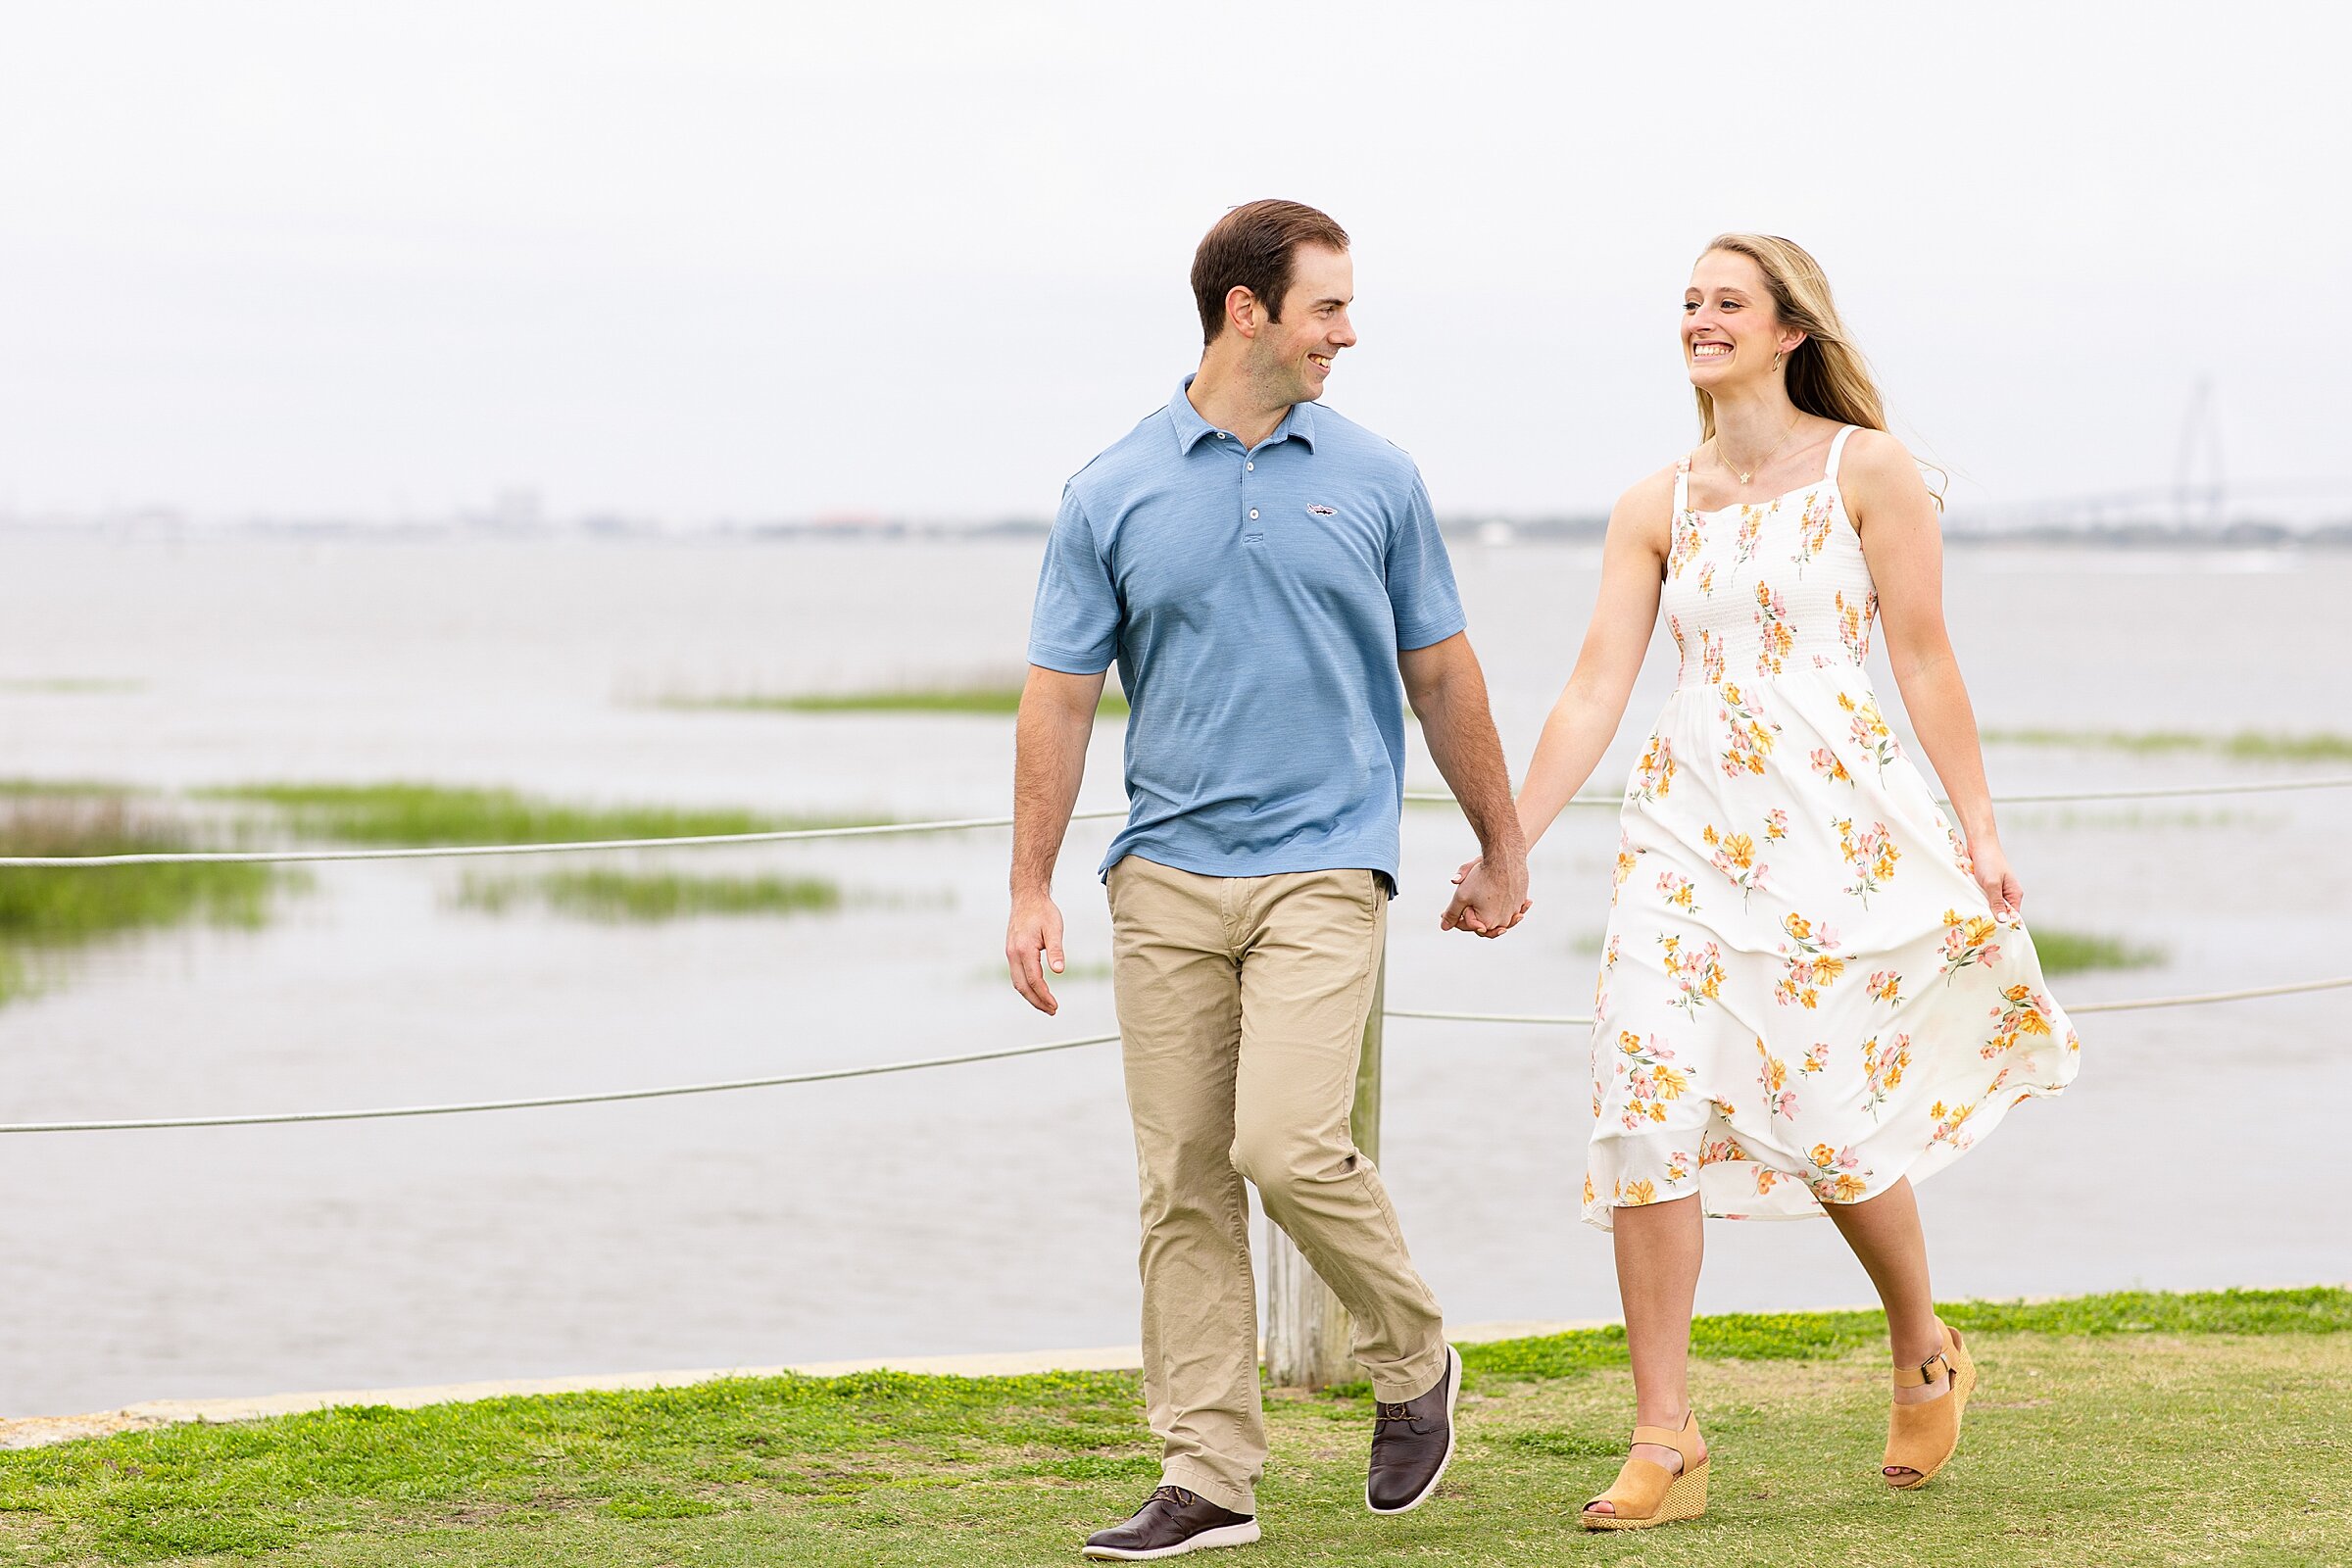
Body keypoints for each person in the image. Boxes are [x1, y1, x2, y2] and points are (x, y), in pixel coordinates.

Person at [1449, 232, 2080, 1529]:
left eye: (1728, 301)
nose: (1701, 318)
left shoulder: (1869, 471)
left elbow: (1927, 661)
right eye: (1689, 301)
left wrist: (1981, 825)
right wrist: (1510, 841)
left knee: (1835, 1130)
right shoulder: (1655, 503)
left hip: (1832, 843)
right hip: (1682, 842)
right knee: (1644, 1104)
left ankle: (1921, 1347)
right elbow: (1592, 692)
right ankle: (1664, 1436)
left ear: (1793, 329)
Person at [1008, 198, 1530, 1560]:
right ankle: (1209, 1479)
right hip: (1166, 876)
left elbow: (1441, 673)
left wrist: (1503, 839)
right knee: (1182, 1181)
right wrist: (1031, 885)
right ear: (1248, 312)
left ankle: (1411, 1355)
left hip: (1322, 866)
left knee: (1282, 1143)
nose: (1348, 333)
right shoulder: (1111, 488)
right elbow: (1060, 701)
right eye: (1327, 309)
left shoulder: (1375, 476)